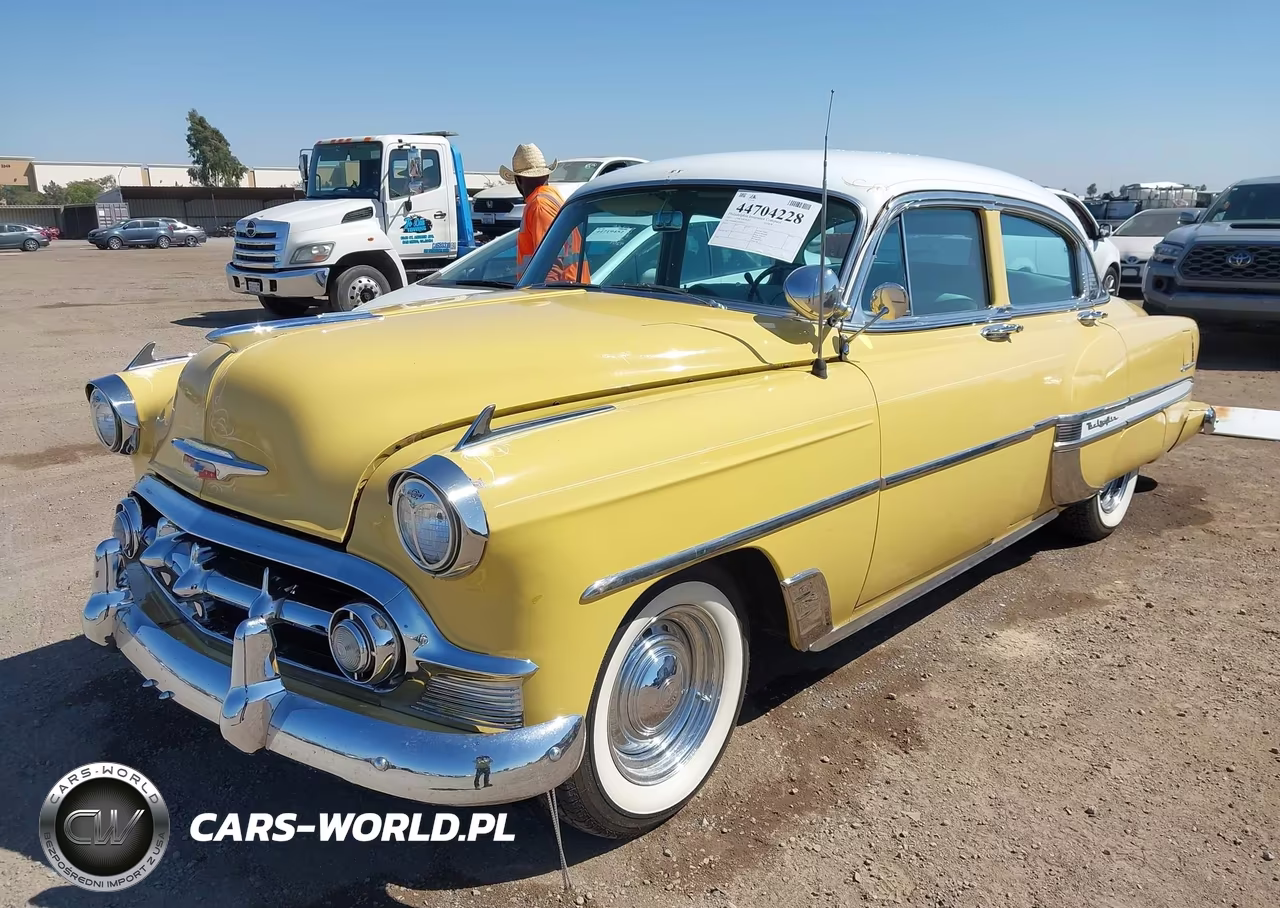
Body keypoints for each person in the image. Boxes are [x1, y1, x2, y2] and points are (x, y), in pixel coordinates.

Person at [501, 144, 589, 283]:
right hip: (570, 289)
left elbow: (551, 261)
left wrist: (543, 293)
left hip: (560, 292)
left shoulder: (539, 205)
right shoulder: (553, 199)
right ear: (547, 175)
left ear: (518, 180)